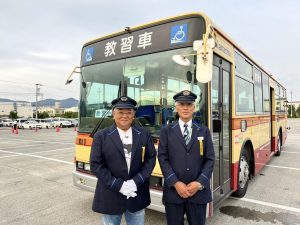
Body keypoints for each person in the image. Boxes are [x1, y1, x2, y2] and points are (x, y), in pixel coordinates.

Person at [90, 95, 157, 225]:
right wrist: (118, 185)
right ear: (113, 114)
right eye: (120, 112)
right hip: (110, 195)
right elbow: (96, 165)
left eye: (128, 112)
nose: (124, 116)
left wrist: (136, 182)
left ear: (134, 115)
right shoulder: (101, 136)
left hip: (136, 193)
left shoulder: (144, 134)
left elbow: (151, 158)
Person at [158, 90, 215, 225]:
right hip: (174, 193)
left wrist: (199, 183)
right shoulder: (166, 131)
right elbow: (162, 158)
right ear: (176, 107)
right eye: (182, 104)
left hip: (198, 193)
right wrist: (176, 183)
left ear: (194, 108)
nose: (185, 108)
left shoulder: (204, 131)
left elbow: (210, 159)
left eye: (189, 104)